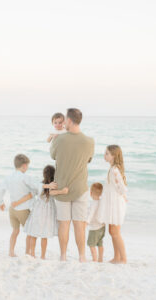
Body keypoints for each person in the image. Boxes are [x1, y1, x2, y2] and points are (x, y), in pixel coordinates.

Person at [50, 108, 94, 262]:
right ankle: (82, 257)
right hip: (80, 188)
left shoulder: (59, 140)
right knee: (79, 224)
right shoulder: (89, 141)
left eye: (64, 121)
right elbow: (88, 160)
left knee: (64, 224)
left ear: (68, 120)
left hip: (61, 189)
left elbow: (52, 155)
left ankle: (63, 256)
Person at [12, 165, 68, 259]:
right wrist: (62, 191)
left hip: (38, 210)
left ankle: (32, 253)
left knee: (34, 233)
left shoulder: (40, 184)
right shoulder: (53, 184)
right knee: (44, 235)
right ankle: (42, 255)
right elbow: (51, 192)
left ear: (44, 174)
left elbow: (33, 193)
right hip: (47, 211)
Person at [0, 154, 39, 257]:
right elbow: (37, 188)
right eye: (27, 166)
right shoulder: (25, 177)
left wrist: (1, 202)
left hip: (12, 210)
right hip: (23, 210)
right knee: (30, 232)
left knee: (15, 231)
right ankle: (27, 252)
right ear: (24, 166)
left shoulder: (8, 177)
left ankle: (11, 252)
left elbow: (1, 190)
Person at [98, 145, 128, 264]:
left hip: (115, 205)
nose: (104, 155)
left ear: (113, 156)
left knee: (115, 232)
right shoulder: (112, 168)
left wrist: (121, 198)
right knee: (112, 231)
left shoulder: (115, 170)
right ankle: (117, 257)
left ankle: (123, 258)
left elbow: (122, 189)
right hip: (112, 204)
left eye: (107, 154)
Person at [87, 183, 105, 262]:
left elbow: (91, 214)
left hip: (94, 228)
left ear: (90, 193)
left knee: (91, 245)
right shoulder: (102, 202)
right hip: (102, 227)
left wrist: (86, 222)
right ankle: (100, 258)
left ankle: (94, 259)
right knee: (100, 243)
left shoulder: (93, 203)